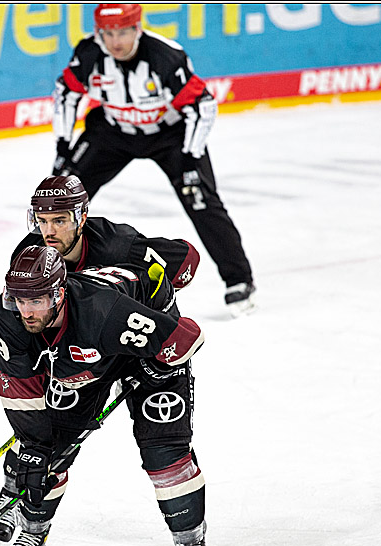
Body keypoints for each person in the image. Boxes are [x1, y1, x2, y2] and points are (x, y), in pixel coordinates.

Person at [0, 244, 210, 546]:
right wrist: (33, 447)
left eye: (36, 302)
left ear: (59, 294)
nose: (25, 311)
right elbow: (20, 390)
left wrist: (160, 366)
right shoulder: (8, 318)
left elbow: (187, 336)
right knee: (51, 447)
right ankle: (32, 533)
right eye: (19, 300)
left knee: (163, 455)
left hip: (146, 346)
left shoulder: (103, 312)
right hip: (88, 359)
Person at [51, 3, 256, 316]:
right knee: (60, 199)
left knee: (200, 199)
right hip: (112, 132)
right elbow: (66, 93)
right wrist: (64, 149)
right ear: (99, 33)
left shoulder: (165, 57)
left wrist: (190, 156)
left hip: (170, 136)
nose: (115, 41)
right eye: (108, 33)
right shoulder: (89, 53)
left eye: (122, 32)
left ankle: (239, 280)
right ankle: (42, 273)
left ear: (137, 29)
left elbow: (202, 106)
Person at [9, 174, 200, 291]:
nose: (49, 232)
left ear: (82, 219)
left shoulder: (118, 245)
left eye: (59, 221)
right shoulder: (27, 258)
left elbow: (185, 260)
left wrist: (147, 302)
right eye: (42, 221)